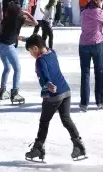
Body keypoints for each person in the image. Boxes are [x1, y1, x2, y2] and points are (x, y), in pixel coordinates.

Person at [24, 34, 87, 162]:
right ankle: (78, 145)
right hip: (66, 91)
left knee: (44, 121)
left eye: (30, 51)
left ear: (35, 48)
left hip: (54, 95)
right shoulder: (52, 52)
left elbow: (45, 75)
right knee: (66, 119)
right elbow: (41, 44)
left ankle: (38, 148)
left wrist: (48, 84)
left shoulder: (40, 60)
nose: (31, 54)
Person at [0, 1, 37, 104]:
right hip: (9, 46)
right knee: (17, 69)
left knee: (7, 68)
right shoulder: (20, 19)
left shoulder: (5, 19)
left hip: (0, 45)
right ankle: (14, 93)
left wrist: (13, 36)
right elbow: (35, 23)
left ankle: (2, 91)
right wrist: (27, 13)